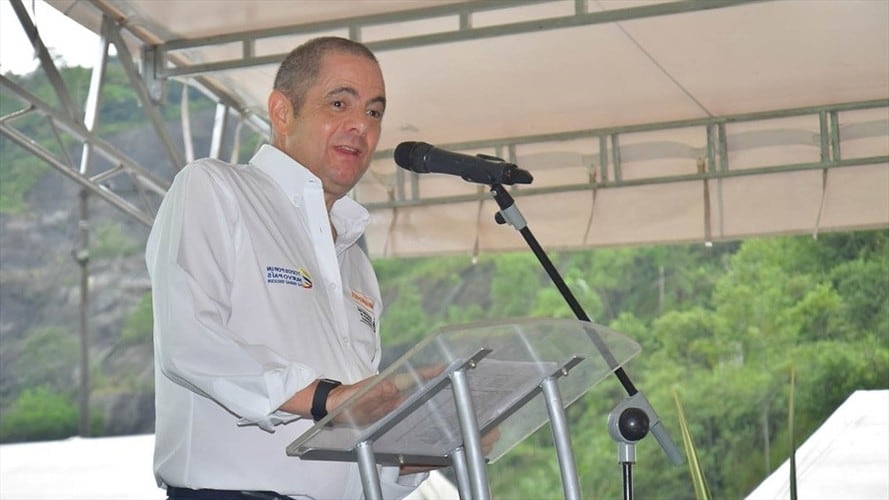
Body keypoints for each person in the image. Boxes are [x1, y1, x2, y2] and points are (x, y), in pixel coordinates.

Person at [145, 36, 428, 499]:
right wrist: (322, 398)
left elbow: (347, 429)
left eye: (375, 112)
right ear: (282, 112)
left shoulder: (354, 257)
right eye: (340, 103)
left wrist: (416, 455)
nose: (361, 124)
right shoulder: (216, 189)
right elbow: (189, 339)